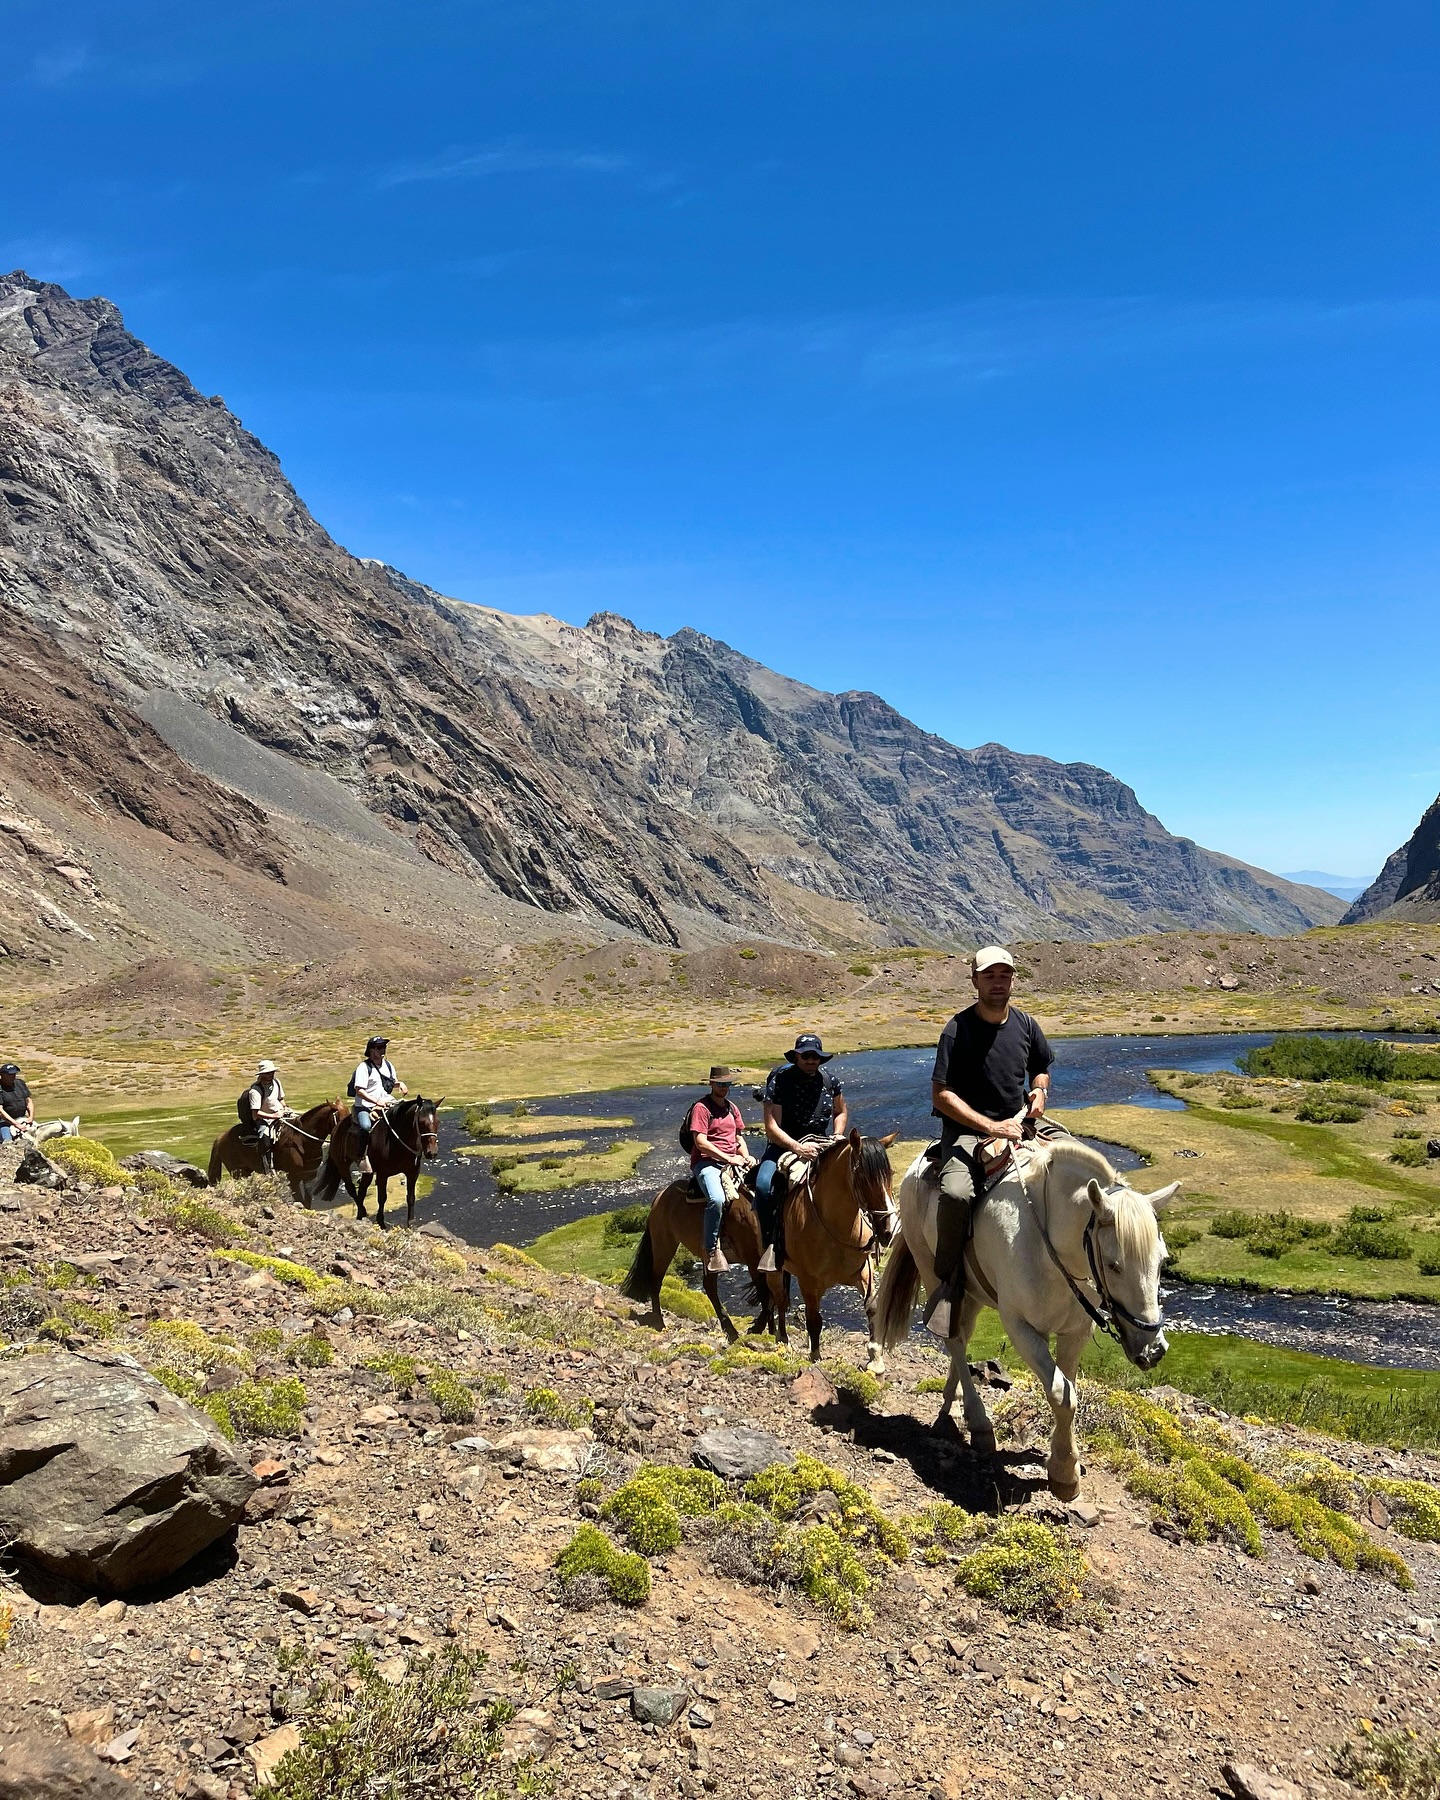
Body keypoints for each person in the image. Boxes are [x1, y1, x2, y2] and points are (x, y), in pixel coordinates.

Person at [925, 946, 1053, 1338]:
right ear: (975, 980)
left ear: (1013, 979)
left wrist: (1039, 1093)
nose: (998, 982)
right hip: (965, 1133)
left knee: (1071, 1167)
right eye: (990, 975)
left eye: (1005, 975)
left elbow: (1041, 1067)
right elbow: (940, 1093)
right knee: (958, 1192)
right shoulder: (957, 1029)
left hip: (1019, 1125)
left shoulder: (1027, 1025)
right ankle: (948, 1284)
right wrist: (989, 1127)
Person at [754, 1032, 849, 1272]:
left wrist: (837, 1135)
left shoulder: (830, 1081)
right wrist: (797, 1147)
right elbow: (771, 1127)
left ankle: (860, 1237)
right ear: (796, 1056)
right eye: (806, 1056)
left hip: (820, 1143)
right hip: (784, 1145)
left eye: (816, 1056)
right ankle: (771, 1245)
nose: (811, 1060)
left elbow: (840, 1111)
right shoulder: (779, 1079)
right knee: (764, 1186)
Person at [686, 1065, 755, 1275]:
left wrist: (746, 1156)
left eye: (726, 1084)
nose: (724, 1088)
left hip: (732, 1160)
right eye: (720, 1084)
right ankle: (711, 1248)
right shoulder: (702, 1108)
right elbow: (700, 1142)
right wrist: (729, 1158)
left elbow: (738, 1137)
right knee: (716, 1199)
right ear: (711, 1083)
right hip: (707, 1163)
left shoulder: (732, 1108)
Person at [350, 1036, 408, 1176]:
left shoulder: (388, 1065)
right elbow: (360, 1090)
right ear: (371, 1050)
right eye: (379, 1047)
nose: (382, 1050)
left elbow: (389, 1082)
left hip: (386, 1102)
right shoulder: (364, 1068)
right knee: (365, 1126)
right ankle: (361, 1156)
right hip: (365, 1106)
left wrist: (400, 1084)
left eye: (384, 1047)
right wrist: (376, 1102)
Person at [245, 1061, 294, 1174]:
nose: (270, 1075)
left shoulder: (276, 1082)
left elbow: (280, 1099)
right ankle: (268, 1167)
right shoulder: (255, 1091)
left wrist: (285, 1108)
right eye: (267, 1073)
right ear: (261, 1074)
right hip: (264, 1119)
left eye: (272, 1072)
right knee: (265, 1138)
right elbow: (255, 1113)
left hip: (279, 1114)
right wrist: (273, 1116)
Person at [0, 1064, 34, 1143]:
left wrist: (31, 1117)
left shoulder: (20, 1083)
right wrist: (16, 1124)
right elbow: (0, 1111)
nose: (13, 1076)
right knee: (8, 1142)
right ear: (2, 1075)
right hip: (5, 1122)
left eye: (14, 1074)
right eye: (10, 1075)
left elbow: (28, 1100)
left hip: (22, 1119)